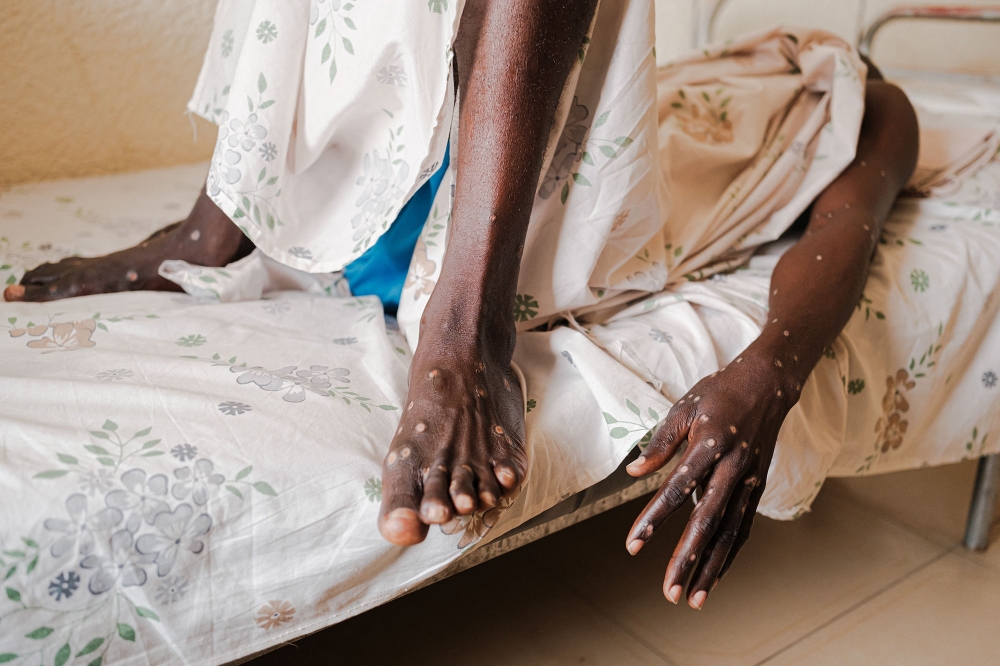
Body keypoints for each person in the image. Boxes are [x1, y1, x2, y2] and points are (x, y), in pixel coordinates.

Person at [3, 0, 917, 611]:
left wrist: (768, 373)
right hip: (420, 165)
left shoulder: (859, 92)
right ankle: (219, 226)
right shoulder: (719, 88)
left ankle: (467, 325)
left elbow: (858, 203)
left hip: (480, 208)